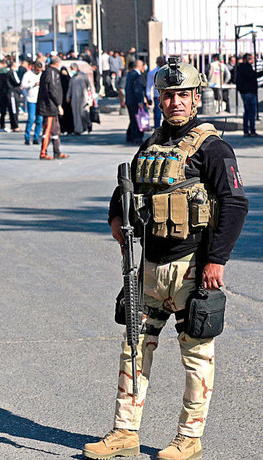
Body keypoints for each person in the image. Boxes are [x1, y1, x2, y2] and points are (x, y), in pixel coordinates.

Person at [83, 58, 249, 460]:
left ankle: (189, 438)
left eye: (182, 95)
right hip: (150, 268)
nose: (175, 102)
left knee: (196, 355)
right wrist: (115, 220)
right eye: (168, 95)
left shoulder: (213, 148)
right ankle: (125, 432)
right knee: (134, 348)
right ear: (159, 99)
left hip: (192, 266)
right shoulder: (152, 145)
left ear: (196, 99)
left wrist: (216, 262)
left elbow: (234, 204)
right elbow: (127, 189)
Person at [37, 56, 67, 160]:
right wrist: (58, 104)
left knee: (56, 130)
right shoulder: (52, 73)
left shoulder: (50, 72)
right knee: (47, 130)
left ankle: (57, 151)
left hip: (52, 106)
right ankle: (43, 152)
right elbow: (52, 89)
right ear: (57, 63)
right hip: (49, 106)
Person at [235, 53, 263, 137]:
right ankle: (252, 130)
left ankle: (246, 131)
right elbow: (253, 75)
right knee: (251, 112)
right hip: (249, 92)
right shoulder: (246, 67)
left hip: (245, 92)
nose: (252, 60)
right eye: (250, 59)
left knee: (247, 112)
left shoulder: (240, 68)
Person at [65, 63, 93, 135]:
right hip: (74, 98)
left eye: (72, 69)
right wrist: (68, 96)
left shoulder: (83, 76)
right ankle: (78, 129)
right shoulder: (72, 78)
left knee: (83, 113)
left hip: (83, 97)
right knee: (76, 114)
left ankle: (88, 124)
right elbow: (70, 88)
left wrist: (91, 95)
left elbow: (89, 85)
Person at [125, 59, 147, 145]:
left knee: (133, 119)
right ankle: (136, 138)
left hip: (130, 101)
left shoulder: (130, 74)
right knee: (137, 120)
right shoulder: (136, 75)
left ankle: (130, 136)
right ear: (140, 66)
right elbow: (137, 90)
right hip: (135, 102)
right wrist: (140, 101)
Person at [21, 61, 43, 145]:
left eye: (40, 70)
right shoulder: (28, 74)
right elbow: (23, 85)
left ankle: (36, 137)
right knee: (31, 119)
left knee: (39, 120)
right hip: (31, 99)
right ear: (34, 67)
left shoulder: (42, 75)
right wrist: (33, 84)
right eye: (37, 70)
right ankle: (27, 137)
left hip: (40, 99)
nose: (38, 72)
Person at [0, 60, 21, 132]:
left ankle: (2, 125)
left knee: (4, 110)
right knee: (13, 110)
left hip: (4, 93)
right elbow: (17, 82)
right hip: (12, 93)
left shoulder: (2, 73)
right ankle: (15, 126)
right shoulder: (12, 73)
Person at [147, 56, 166, 129]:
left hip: (167, 94)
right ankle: (157, 127)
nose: (161, 64)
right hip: (157, 95)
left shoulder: (167, 71)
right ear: (157, 63)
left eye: (162, 62)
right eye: (160, 62)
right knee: (157, 113)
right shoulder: (152, 73)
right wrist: (149, 97)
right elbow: (149, 85)